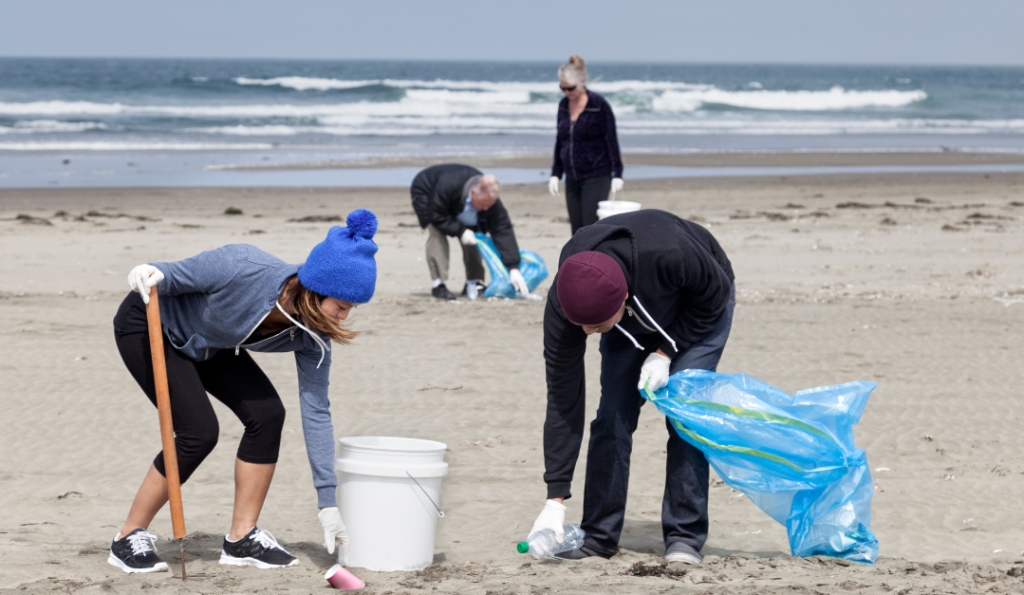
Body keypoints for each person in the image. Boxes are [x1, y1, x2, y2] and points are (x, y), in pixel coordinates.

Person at [107, 210, 379, 573]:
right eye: (341, 306)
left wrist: (327, 502)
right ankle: (128, 535)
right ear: (315, 291)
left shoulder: (313, 338)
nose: (344, 316)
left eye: (351, 308)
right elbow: (170, 275)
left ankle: (241, 539)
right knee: (198, 432)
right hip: (150, 325)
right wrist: (148, 272)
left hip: (211, 344)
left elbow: (316, 412)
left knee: (268, 416)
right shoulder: (243, 265)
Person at [530, 209, 735, 565]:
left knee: (684, 416)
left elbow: (713, 298)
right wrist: (555, 499)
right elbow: (564, 398)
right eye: (580, 325)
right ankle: (598, 537)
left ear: (623, 299)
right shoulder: (569, 299)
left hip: (700, 305)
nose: (586, 334)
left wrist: (666, 351)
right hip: (628, 322)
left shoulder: (672, 254)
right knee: (612, 415)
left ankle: (684, 537)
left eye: (594, 326)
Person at [410, 163, 528, 300]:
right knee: (437, 233)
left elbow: (503, 230)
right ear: (473, 193)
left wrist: (513, 267)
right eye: (483, 204)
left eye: (489, 205)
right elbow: (436, 216)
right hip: (427, 192)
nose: (486, 209)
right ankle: (438, 284)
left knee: (475, 235)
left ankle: (473, 281)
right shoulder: (448, 185)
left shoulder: (490, 201)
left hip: (456, 201)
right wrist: (461, 231)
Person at [547, 55, 624, 236]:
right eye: (562, 88)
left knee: (590, 228)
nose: (566, 92)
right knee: (576, 229)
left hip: (596, 176)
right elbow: (560, 140)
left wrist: (617, 174)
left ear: (582, 82)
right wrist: (555, 174)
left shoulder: (599, 106)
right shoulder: (563, 105)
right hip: (572, 177)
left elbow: (611, 140)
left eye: (570, 88)